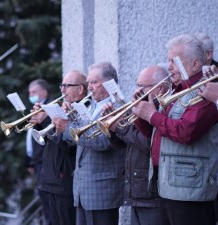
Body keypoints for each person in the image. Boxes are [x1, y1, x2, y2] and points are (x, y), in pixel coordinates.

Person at [132, 34, 218, 225]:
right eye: (168, 60)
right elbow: (155, 134)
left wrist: (152, 115)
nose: (168, 66)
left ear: (196, 64)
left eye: (174, 61)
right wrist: (141, 112)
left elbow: (186, 132)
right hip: (167, 185)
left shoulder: (206, 91)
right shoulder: (174, 91)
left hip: (191, 190)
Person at [54, 62, 126, 225]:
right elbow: (78, 138)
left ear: (109, 83)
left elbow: (102, 142)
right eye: (88, 82)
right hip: (83, 188)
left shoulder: (117, 106)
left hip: (102, 190)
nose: (89, 87)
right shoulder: (93, 106)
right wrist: (65, 120)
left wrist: (67, 128)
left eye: (94, 82)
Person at [104, 65, 171, 225]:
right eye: (137, 85)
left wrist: (119, 127)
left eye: (142, 86)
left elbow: (149, 143)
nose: (137, 90)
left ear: (160, 88)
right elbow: (123, 144)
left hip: (151, 192)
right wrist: (113, 128)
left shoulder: (162, 110)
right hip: (135, 190)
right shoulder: (139, 107)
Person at [30, 70, 88, 225]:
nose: (62, 90)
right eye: (62, 85)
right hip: (49, 180)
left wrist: (50, 120)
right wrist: (42, 122)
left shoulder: (84, 110)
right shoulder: (62, 107)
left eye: (66, 86)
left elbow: (70, 146)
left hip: (64, 182)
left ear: (80, 89)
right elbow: (49, 142)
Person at [25, 79, 52, 225]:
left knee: (49, 202)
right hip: (37, 161)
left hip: (45, 162)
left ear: (44, 92)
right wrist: (29, 160)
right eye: (29, 93)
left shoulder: (49, 108)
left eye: (34, 92)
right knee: (44, 200)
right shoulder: (36, 108)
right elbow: (31, 136)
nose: (31, 95)